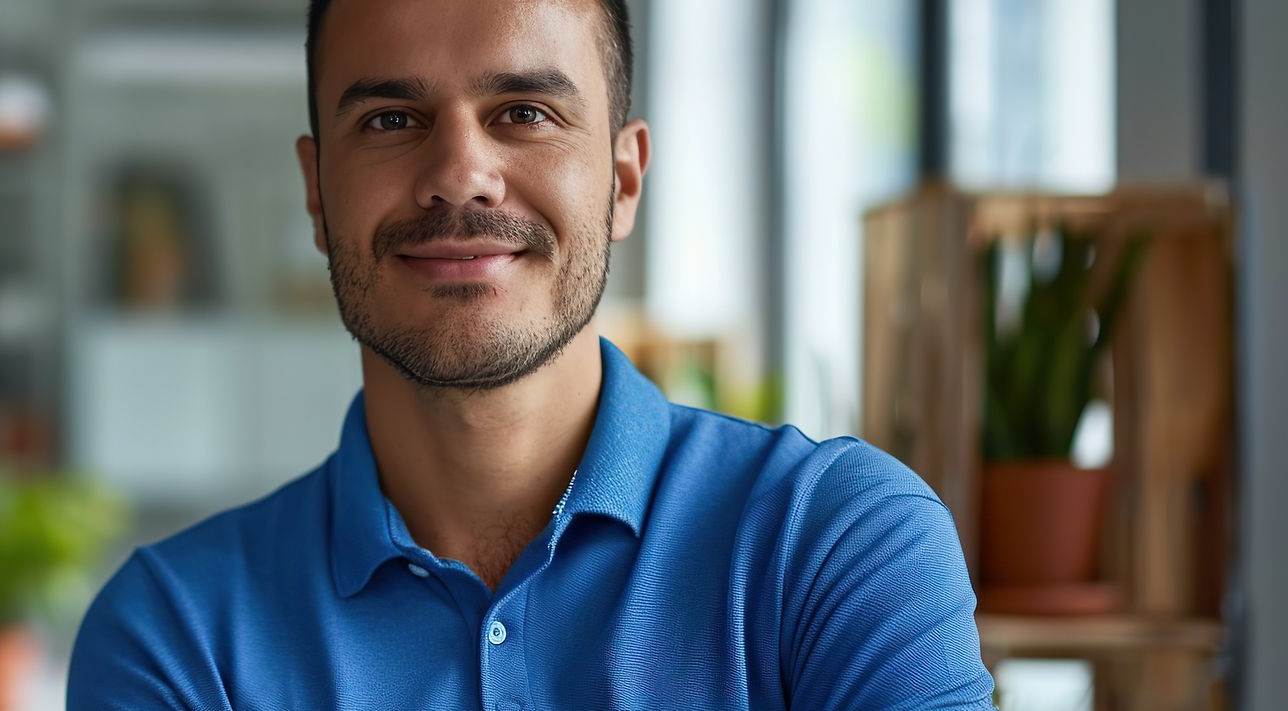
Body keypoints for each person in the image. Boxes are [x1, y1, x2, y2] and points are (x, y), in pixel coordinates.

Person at [67, 0, 995, 707]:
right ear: (317, 193)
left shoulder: (834, 545)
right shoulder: (176, 635)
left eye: (523, 112)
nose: (460, 173)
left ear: (624, 180)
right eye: (391, 119)